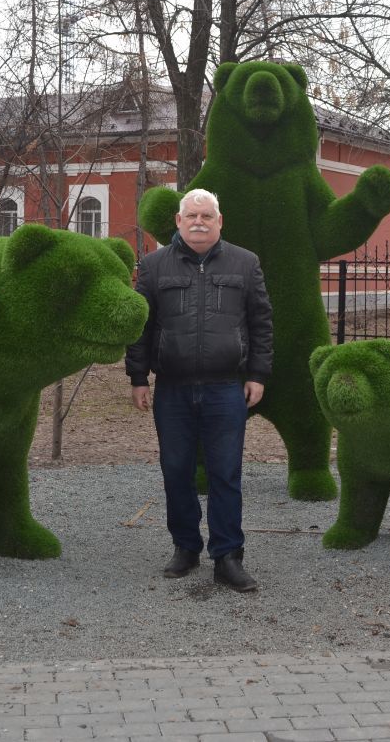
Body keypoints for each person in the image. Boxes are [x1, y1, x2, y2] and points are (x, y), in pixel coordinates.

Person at [125, 188, 273, 592]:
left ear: (219, 221)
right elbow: (141, 327)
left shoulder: (245, 264)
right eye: (191, 216)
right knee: (177, 472)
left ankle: (227, 556)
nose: (199, 222)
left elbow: (261, 323)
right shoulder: (154, 267)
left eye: (207, 216)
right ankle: (185, 547)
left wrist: (257, 375)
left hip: (226, 389)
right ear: (178, 221)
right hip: (172, 389)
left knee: (226, 474)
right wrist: (138, 378)